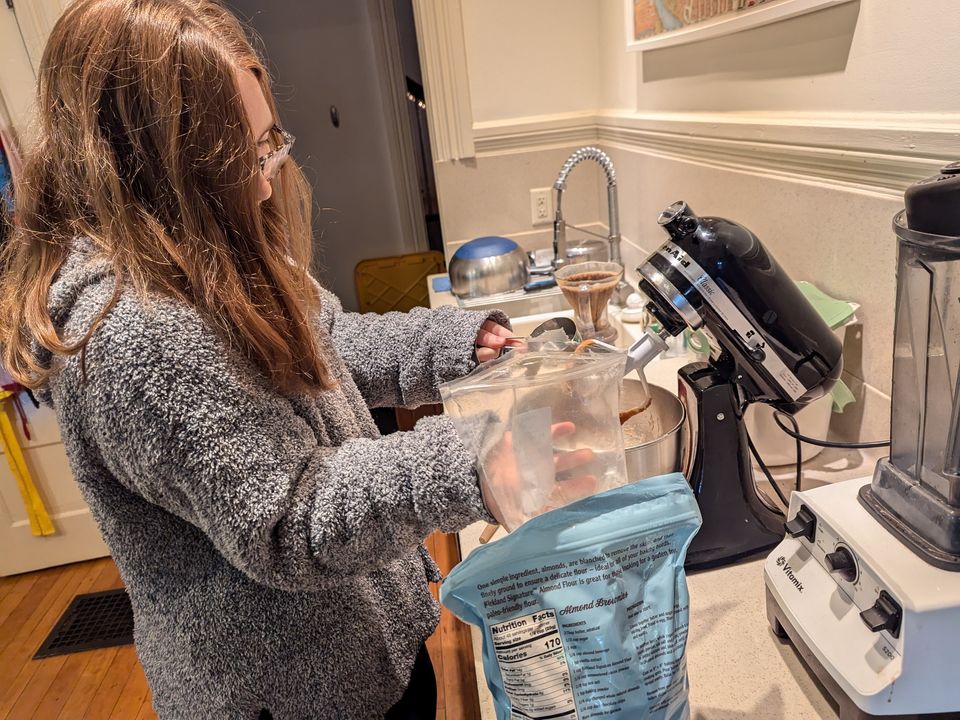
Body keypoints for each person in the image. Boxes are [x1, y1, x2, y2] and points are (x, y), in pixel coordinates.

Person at [0, 1, 514, 718]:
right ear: (146, 165)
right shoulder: (134, 335)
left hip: (359, 651)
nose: (266, 180)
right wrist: (474, 459)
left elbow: (325, 347)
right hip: (290, 697)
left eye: (268, 144)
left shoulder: (212, 240)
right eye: (238, 161)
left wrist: (451, 346)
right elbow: (289, 518)